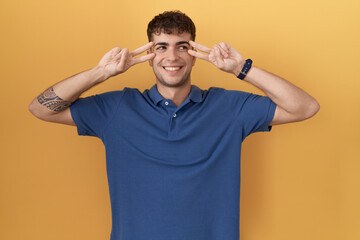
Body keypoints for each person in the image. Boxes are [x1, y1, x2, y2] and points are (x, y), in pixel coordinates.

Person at [29, 10, 319, 240]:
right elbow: (40, 108)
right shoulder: (117, 109)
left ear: (193, 55)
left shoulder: (228, 107)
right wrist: (100, 73)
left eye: (182, 46)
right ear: (149, 56)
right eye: (161, 47)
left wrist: (241, 69)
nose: (172, 57)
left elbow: (305, 107)